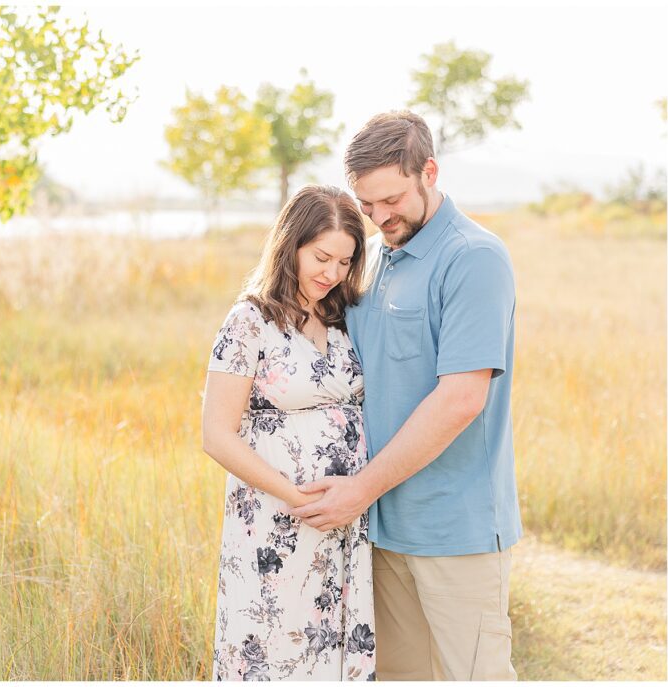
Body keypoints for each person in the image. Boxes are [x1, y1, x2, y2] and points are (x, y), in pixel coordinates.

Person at [288, 110, 521, 681]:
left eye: (390, 199)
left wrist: (357, 490)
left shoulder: (473, 258)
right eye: (367, 204)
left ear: (430, 172)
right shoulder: (372, 258)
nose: (378, 216)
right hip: (382, 526)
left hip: (453, 529)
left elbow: (461, 399)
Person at [202, 185, 376, 681]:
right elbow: (216, 434)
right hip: (276, 522)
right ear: (291, 244)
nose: (332, 273)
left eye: (345, 262)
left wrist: (346, 500)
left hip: (344, 523)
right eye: (322, 257)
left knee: (331, 654)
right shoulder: (249, 321)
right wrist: (299, 498)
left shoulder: (345, 319)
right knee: (274, 654)